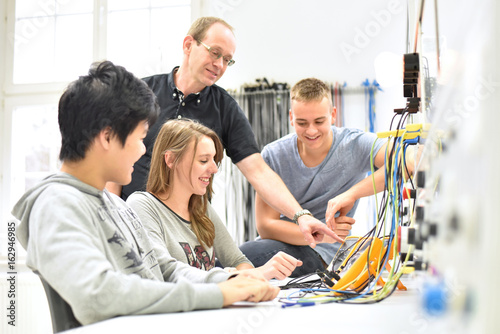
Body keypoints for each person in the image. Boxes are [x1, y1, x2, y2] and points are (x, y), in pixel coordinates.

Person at [12, 61, 278, 327]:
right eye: (140, 139)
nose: (143, 151)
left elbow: (165, 268)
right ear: (107, 137)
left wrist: (229, 281)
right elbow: (98, 295)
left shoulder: (119, 206)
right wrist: (217, 294)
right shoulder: (56, 204)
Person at [106, 16, 340, 247]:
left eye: (227, 59)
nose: (220, 65)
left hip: (189, 234)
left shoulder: (224, 107)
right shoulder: (141, 92)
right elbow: (114, 162)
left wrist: (301, 216)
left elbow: (258, 171)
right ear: (188, 45)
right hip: (134, 225)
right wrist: (114, 224)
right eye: (215, 53)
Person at [239, 78, 390, 277]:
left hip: (324, 255)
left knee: (239, 260)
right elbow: (266, 226)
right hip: (278, 244)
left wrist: (351, 194)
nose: (311, 130)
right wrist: (319, 236)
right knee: (236, 258)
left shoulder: (355, 144)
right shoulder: (274, 154)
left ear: (333, 115)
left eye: (319, 121)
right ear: (291, 118)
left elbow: (406, 163)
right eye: (302, 123)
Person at [127, 119, 303, 281]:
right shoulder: (142, 205)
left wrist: (242, 274)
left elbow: (238, 260)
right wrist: (241, 275)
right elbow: (165, 270)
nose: (214, 169)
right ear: (171, 159)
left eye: (214, 160)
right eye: (203, 160)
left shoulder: (201, 207)